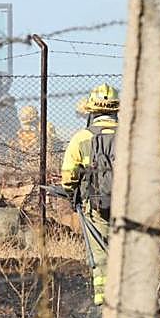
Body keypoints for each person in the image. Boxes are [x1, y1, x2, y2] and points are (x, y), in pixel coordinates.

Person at [61, 83, 119, 306]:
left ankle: (103, 296)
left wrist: (71, 194)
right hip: (129, 205)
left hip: (93, 204)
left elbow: (68, 175)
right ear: (116, 109)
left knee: (100, 249)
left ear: (92, 111)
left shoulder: (80, 138)